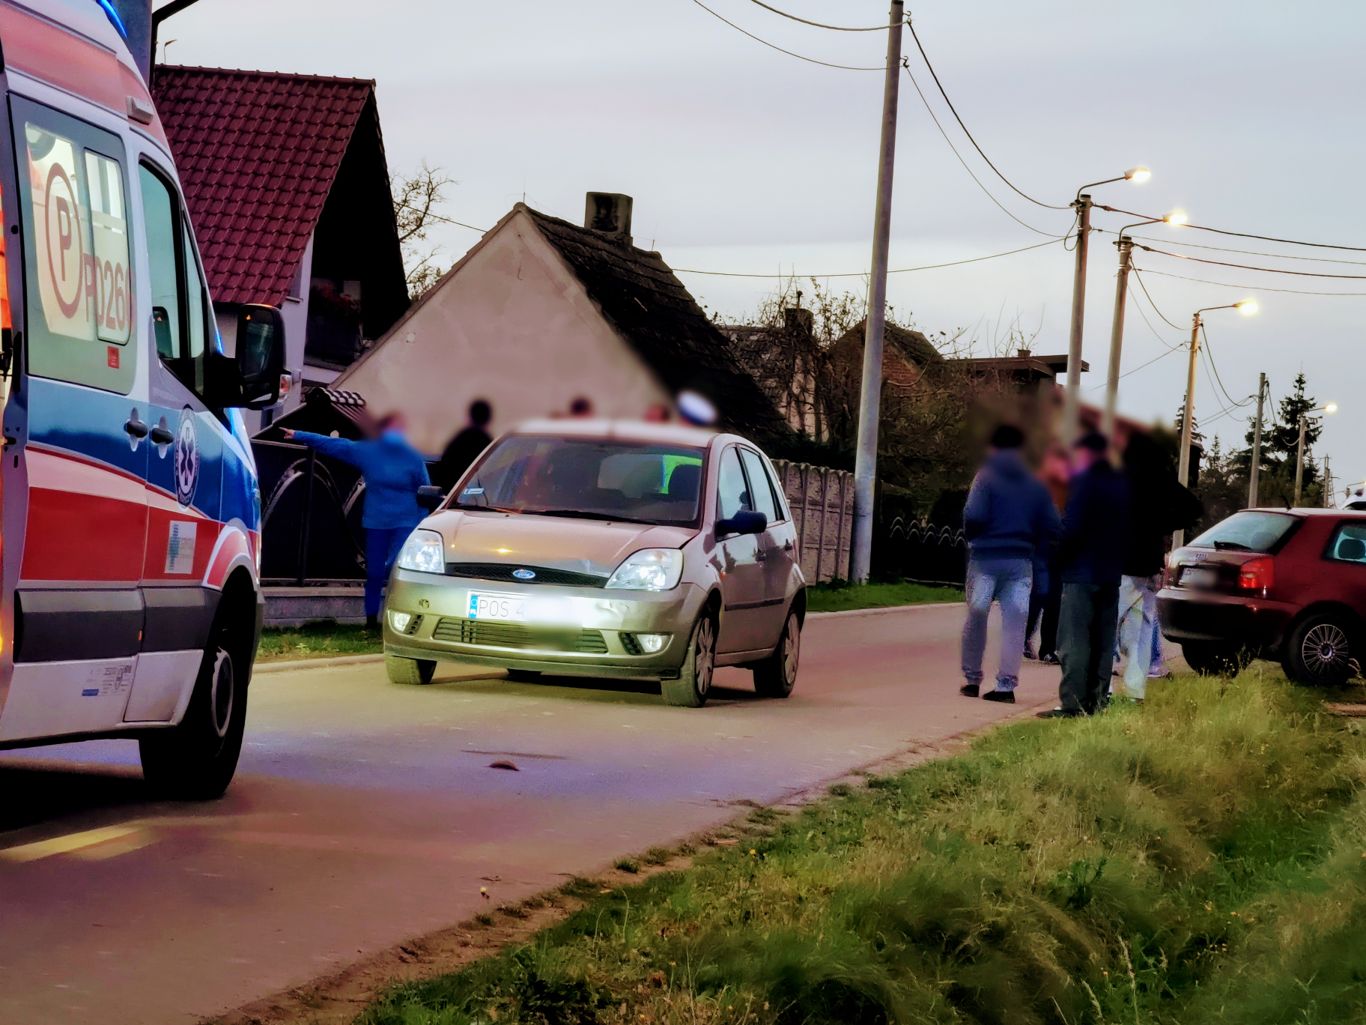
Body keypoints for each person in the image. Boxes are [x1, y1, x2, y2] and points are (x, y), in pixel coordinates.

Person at [284, 415, 430, 632]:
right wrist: (299, 435)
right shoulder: (368, 452)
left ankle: (397, 620)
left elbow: (426, 490)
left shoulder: (413, 458)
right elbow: (335, 445)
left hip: (406, 521)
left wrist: (421, 522)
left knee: (396, 568)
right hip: (376, 521)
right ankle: (371, 621)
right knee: (374, 574)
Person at [960, 425, 1060, 704]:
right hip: (1020, 562)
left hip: (985, 559)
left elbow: (974, 513)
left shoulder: (986, 476)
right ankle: (1005, 687)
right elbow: (1053, 524)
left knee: (977, 616)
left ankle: (971, 679)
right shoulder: (1036, 483)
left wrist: (973, 537)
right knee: (1015, 623)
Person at [1041, 430, 1130, 718]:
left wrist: (1058, 557)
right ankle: (1097, 700)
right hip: (1110, 573)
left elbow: (1072, 526)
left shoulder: (1083, 482)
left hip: (1081, 572)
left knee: (1075, 640)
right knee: (1103, 642)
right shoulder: (1120, 485)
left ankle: (1072, 703)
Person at [1114, 433, 1201, 699]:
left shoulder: (1122, 478)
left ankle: (1102, 687)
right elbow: (1194, 507)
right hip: (1150, 563)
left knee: (1110, 624)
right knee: (1143, 629)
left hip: (1121, 562)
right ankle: (1135, 691)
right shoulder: (1160, 478)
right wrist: (1164, 524)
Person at [1026, 445, 1070, 663]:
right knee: (1039, 596)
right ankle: (1024, 638)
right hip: (1039, 550)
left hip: (1059, 552)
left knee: (1054, 601)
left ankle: (1048, 648)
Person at [435, 399, 493, 491]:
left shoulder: (458, 439)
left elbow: (444, 468)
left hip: (452, 494)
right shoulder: (490, 445)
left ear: (470, 416)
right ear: (488, 419)